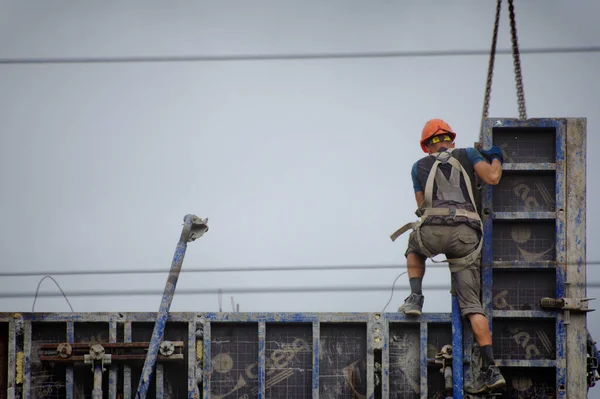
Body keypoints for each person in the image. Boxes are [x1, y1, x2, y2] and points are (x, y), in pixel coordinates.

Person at [393, 118, 505, 394]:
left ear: (426, 146)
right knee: (472, 306)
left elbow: (423, 207)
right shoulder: (467, 154)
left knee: (413, 248)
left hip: (433, 231)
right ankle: (492, 369)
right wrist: (496, 158)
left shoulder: (418, 167)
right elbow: (492, 178)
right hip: (466, 236)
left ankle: (415, 296)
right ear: (451, 140)